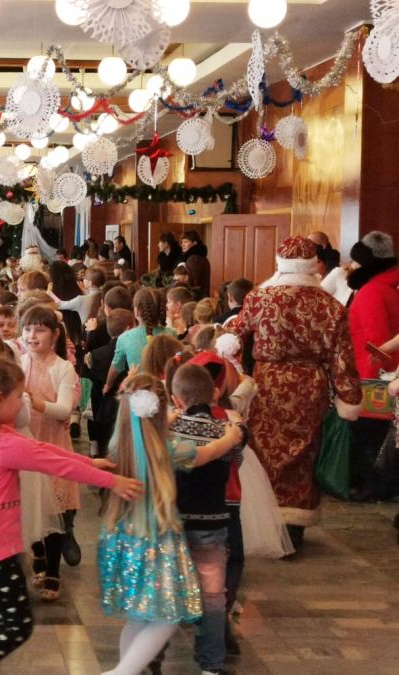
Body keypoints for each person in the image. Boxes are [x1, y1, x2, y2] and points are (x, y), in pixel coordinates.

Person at [0, 355, 142, 675]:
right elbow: (55, 464)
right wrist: (112, 482)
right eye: (18, 397)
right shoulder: (1, 442)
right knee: (17, 624)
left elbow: (45, 451)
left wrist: (90, 462)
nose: (23, 403)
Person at [98, 374, 243, 675]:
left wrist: (167, 417)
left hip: (124, 536)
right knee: (167, 616)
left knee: (138, 616)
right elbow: (209, 453)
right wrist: (231, 436)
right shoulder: (169, 448)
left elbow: (144, 430)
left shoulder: (117, 445)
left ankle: (126, 670)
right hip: (157, 540)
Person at [229, 236, 362, 547]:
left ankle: (264, 520)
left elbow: (232, 336)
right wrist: (349, 397)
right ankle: (294, 528)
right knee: (303, 454)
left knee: (265, 451)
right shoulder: (329, 305)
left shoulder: (259, 298)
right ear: (313, 266)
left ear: (280, 265)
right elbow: (342, 358)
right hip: (309, 388)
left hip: (267, 386)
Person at [169, 363, 248, 675]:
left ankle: (152, 654)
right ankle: (211, 665)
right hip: (212, 522)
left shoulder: (171, 429)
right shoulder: (224, 432)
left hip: (174, 522)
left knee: (167, 587)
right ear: (214, 395)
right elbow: (237, 459)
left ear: (176, 399)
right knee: (213, 597)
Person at [19, 306, 79, 602]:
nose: (32, 335)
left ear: (55, 335)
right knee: (29, 505)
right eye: (28, 329)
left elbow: (64, 409)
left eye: (40, 330)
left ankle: (53, 569)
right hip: (24, 445)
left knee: (54, 508)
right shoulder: (18, 364)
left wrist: (34, 401)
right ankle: (37, 553)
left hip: (53, 444)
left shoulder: (62, 368)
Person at [346, 231, 399, 500]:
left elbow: (377, 343)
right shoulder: (387, 286)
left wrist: (370, 380)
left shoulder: (371, 292)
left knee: (369, 435)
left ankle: (370, 486)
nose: (351, 266)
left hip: (373, 375)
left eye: (355, 261)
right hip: (385, 372)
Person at [104, 289, 175, 393]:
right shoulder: (172, 333)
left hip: (138, 391)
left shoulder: (125, 337)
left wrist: (108, 384)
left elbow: (116, 367)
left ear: (136, 311)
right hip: (165, 390)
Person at [87, 309, 135, 458]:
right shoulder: (133, 351)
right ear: (128, 328)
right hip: (126, 406)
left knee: (105, 451)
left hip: (104, 408)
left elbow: (93, 381)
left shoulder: (96, 355)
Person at [180, 231, 210, 299]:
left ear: (194, 243)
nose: (182, 245)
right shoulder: (201, 257)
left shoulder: (193, 259)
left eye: (186, 242)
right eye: (182, 242)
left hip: (196, 298)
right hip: (202, 296)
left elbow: (193, 284)